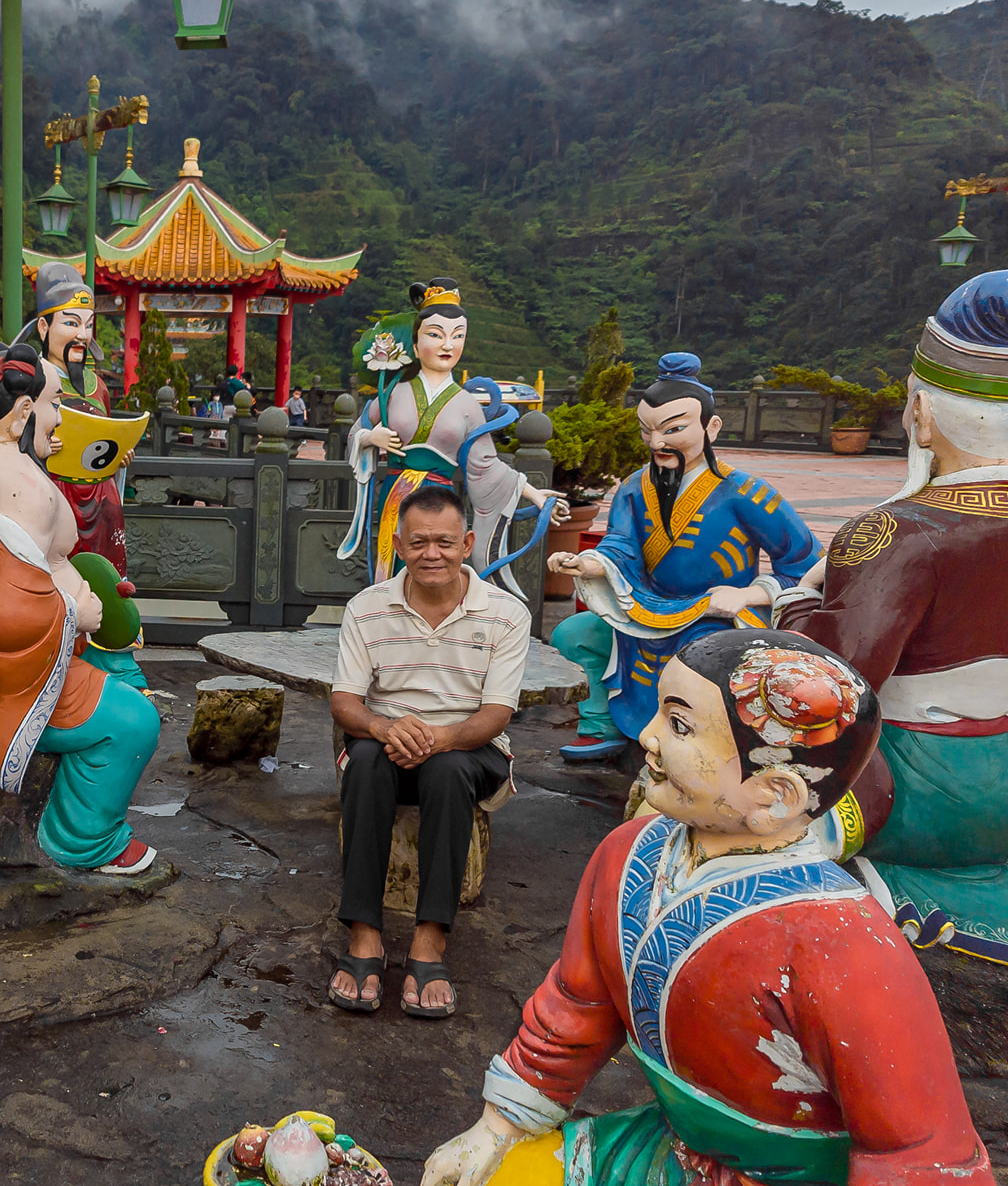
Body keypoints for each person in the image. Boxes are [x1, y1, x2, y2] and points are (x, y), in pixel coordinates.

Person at [418, 629, 1000, 1186]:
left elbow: (935, 1172)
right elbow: (577, 1007)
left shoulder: (844, 943)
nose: (647, 735)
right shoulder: (626, 855)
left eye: (680, 724)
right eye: (662, 711)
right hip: (660, 1171)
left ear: (775, 793)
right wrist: (499, 1122)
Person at [778, 268, 1008, 1076]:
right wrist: (995, 743)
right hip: (1006, 783)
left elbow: (839, 678)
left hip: (905, 790)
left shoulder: (894, 532)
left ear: (919, 410)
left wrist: (792, 609)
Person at [0, 343, 162, 875]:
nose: (63, 419)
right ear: (24, 410)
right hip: (5, 671)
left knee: (120, 673)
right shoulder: (20, 485)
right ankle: (82, 841)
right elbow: (11, 610)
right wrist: (76, 615)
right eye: (56, 404)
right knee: (135, 722)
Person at [548, 353, 821, 763]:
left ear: (711, 427)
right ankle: (602, 720)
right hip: (644, 609)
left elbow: (805, 564)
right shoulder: (633, 488)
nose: (658, 443)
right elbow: (621, 545)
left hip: (714, 615)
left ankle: (698, 744)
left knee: (699, 660)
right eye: (648, 431)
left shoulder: (745, 492)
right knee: (574, 634)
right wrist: (589, 564)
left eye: (673, 429)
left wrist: (748, 595)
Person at [328, 485, 531, 1018]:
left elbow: (495, 716)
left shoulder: (506, 615)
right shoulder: (365, 609)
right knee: (368, 759)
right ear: (399, 545)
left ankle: (431, 936)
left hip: (471, 750)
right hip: (386, 742)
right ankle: (365, 933)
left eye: (444, 542)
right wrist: (383, 726)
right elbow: (345, 701)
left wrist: (435, 737)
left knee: (446, 767)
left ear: (467, 543)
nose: (431, 554)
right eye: (418, 543)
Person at [337, 278, 567, 585]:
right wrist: (370, 437)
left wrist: (535, 495)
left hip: (440, 500)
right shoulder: (392, 392)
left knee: (436, 564)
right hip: (395, 496)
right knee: (393, 566)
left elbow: (487, 464)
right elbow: (356, 433)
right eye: (436, 334)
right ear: (416, 346)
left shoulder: (466, 404)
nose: (448, 345)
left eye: (457, 336)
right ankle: (391, 624)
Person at [21, 262, 129, 572]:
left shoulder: (98, 387)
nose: (82, 335)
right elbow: (8, 438)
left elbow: (104, 439)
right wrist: (37, 447)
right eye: (71, 323)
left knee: (104, 580)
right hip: (52, 495)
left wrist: (119, 454)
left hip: (100, 499)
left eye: (88, 325)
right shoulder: (31, 381)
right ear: (44, 328)